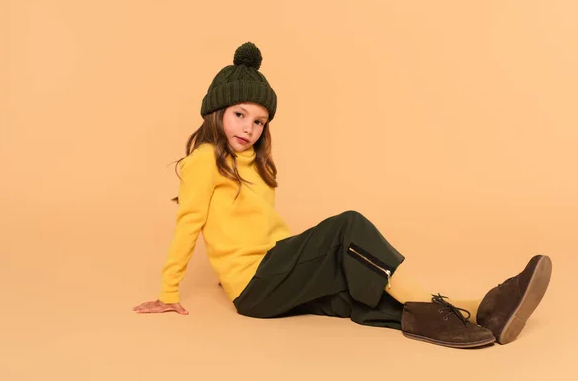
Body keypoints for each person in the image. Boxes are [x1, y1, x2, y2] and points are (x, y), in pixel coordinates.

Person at [133, 42, 553, 349]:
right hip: (255, 285)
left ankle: (483, 311)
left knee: (357, 290)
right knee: (347, 226)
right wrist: (169, 293)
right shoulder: (205, 159)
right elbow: (189, 224)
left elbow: (258, 232)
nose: (249, 128)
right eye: (239, 115)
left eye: (259, 121)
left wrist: (303, 261)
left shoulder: (257, 165)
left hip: (275, 271)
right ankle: (443, 316)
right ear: (217, 113)